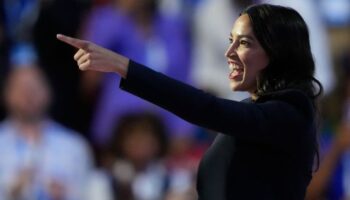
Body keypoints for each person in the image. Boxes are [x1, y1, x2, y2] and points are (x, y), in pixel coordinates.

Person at [57, 3, 322, 200]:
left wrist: (123, 66)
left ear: (275, 51)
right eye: (230, 41)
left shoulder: (290, 113)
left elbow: (206, 108)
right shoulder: (254, 113)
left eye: (243, 43)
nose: (228, 53)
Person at [0, 64, 93, 200]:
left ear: (48, 91)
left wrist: (65, 195)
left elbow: (90, 192)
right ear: (6, 95)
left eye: (34, 88)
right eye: (21, 89)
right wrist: (8, 193)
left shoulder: (74, 145)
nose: (28, 95)